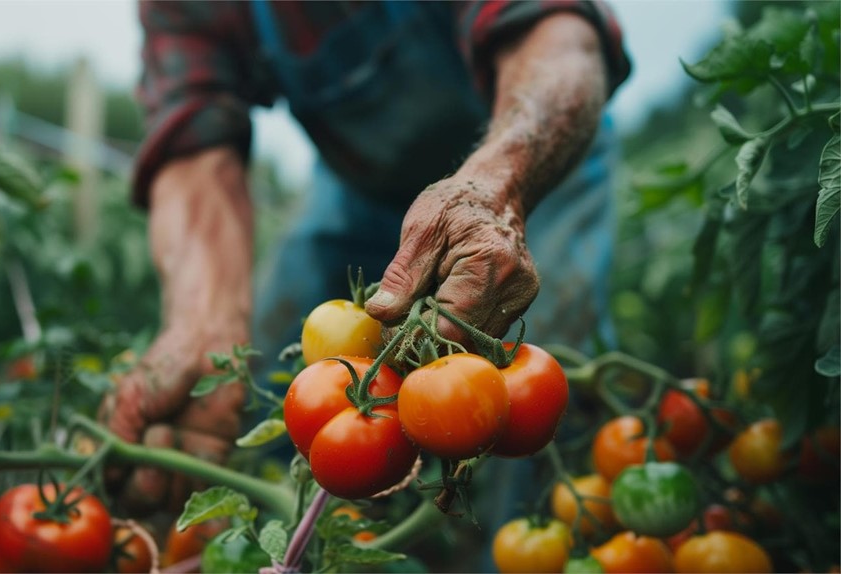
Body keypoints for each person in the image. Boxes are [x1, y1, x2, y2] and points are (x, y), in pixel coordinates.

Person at [98, 0, 630, 526]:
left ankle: (536, 529)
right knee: (261, 375)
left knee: (549, 366)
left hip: (536, 148)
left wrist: (498, 189)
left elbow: (558, 33)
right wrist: (202, 325)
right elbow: (195, 139)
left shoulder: (523, 159)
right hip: (361, 187)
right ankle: (300, 538)